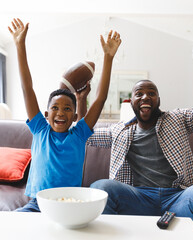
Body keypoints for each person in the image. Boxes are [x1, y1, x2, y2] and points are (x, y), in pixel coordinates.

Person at [88, 19, 193, 240]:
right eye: (139, 93)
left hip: (178, 198)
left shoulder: (178, 119)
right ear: (131, 101)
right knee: (101, 187)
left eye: (151, 93)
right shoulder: (119, 130)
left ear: (158, 99)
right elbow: (83, 135)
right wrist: (80, 99)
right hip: (137, 198)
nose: (145, 96)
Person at [8, 18, 121, 212]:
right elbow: (27, 88)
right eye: (55, 108)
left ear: (75, 115)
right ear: (45, 113)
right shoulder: (39, 129)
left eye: (67, 109)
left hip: (70, 204)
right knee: (13, 224)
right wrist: (20, 45)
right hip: (37, 203)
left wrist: (108, 58)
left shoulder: (79, 135)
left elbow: (100, 99)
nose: (61, 113)